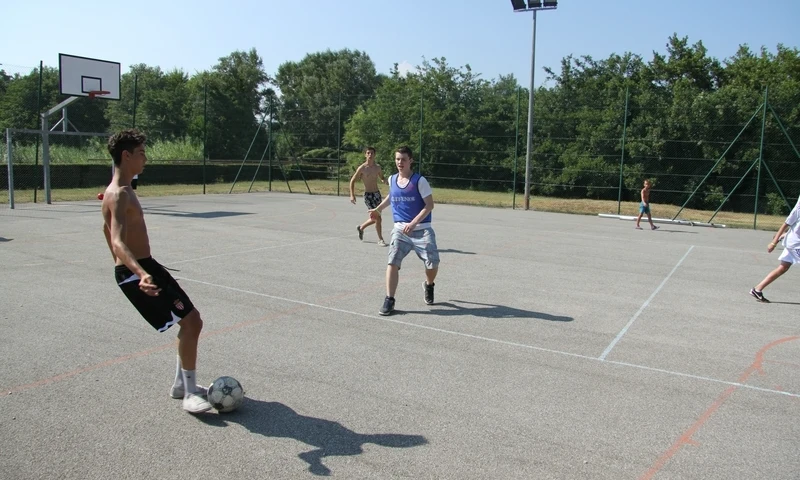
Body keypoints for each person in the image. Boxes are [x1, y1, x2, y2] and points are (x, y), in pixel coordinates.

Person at [101, 128, 212, 414]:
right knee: (191, 323)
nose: (145, 159)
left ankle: (182, 385)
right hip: (138, 271)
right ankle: (189, 393)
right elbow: (116, 240)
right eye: (140, 154)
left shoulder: (117, 191)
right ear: (126, 156)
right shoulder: (120, 194)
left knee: (192, 322)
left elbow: (106, 232)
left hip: (144, 266)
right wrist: (140, 273)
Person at [368, 146, 439, 316]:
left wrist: (414, 223)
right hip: (400, 229)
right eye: (397, 159)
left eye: (403, 159)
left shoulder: (419, 181)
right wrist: (377, 209)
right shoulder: (392, 179)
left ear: (410, 161)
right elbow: (391, 197)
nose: (400, 162)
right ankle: (389, 299)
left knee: (432, 263)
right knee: (392, 261)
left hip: (421, 229)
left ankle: (429, 284)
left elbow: (430, 205)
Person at [750, 198, 800, 303]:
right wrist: (774, 242)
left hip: (792, 242)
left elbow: (795, 229)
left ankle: (757, 289)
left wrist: (784, 236)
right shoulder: (797, 210)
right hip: (795, 245)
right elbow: (786, 224)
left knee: (783, 268)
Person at [349, 147, 388, 246]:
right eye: (368, 153)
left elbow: (382, 177)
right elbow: (352, 181)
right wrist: (352, 195)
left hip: (377, 195)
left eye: (372, 153)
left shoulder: (377, 167)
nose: (370, 155)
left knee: (376, 218)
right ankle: (380, 239)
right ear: (365, 155)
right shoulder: (362, 168)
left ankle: (361, 227)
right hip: (368, 196)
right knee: (378, 218)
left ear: (375, 155)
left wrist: (384, 181)